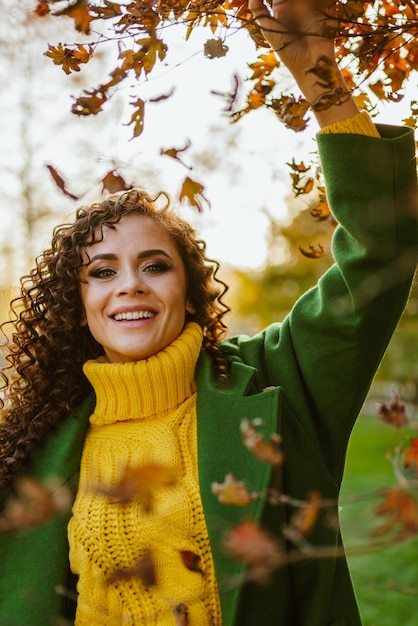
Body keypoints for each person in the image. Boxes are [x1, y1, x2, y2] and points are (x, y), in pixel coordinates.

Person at [0, 1, 417, 624]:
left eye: (156, 265)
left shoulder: (280, 382)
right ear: (76, 305)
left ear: (190, 291)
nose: (130, 287)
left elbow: (378, 251)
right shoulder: (37, 442)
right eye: (103, 272)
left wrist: (323, 84)